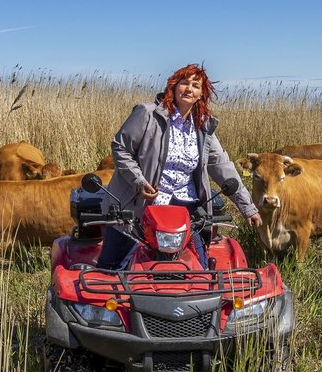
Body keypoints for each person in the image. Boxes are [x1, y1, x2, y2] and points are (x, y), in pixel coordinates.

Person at [95, 63, 263, 270]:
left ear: (201, 94)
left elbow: (221, 165)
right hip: (139, 204)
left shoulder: (203, 126)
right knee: (111, 268)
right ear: (173, 87)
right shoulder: (147, 114)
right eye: (184, 83)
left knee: (199, 269)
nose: (189, 89)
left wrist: (247, 208)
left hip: (185, 207)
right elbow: (120, 147)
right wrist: (139, 182)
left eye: (195, 85)